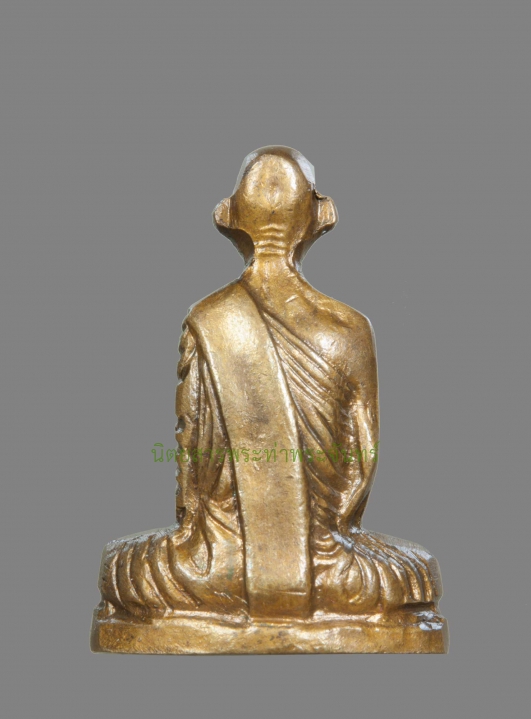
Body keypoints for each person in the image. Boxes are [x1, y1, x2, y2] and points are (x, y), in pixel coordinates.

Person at [97, 146, 442, 622]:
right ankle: (312, 586)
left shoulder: (207, 318)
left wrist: (200, 536)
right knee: (414, 573)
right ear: (322, 216)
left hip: (216, 567)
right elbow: (362, 462)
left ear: (227, 215)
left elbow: (191, 462)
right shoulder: (349, 329)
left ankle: (240, 589)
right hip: (327, 567)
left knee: (124, 568)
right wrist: (329, 537)